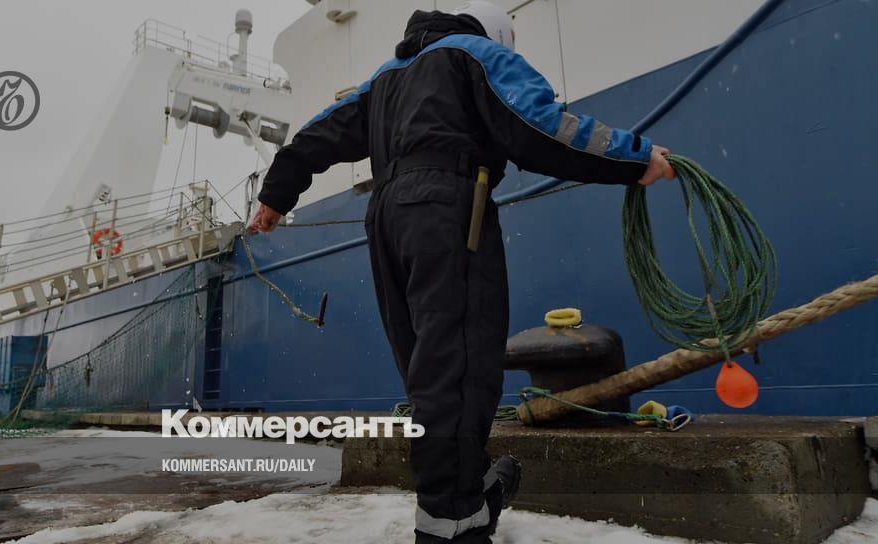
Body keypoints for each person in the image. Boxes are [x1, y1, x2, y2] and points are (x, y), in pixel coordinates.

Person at [249, 1, 675, 542]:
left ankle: (465, 492)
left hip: (386, 219)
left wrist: (276, 195)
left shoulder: (385, 77)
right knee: (458, 366)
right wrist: (635, 158)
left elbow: (315, 137)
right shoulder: (479, 54)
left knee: (427, 368)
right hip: (447, 208)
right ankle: (451, 525)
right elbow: (541, 128)